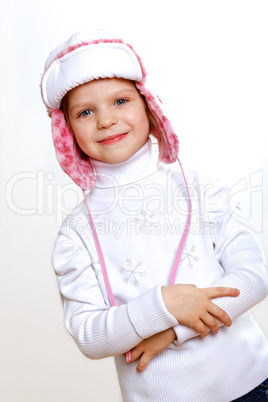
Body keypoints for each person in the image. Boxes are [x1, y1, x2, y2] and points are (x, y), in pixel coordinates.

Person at [41, 30, 268, 401]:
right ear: (67, 133)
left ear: (149, 106)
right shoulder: (76, 234)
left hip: (252, 383)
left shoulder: (200, 189)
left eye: (120, 100)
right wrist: (162, 304)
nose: (106, 120)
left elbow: (254, 277)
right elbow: (88, 333)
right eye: (85, 111)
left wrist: (172, 329)